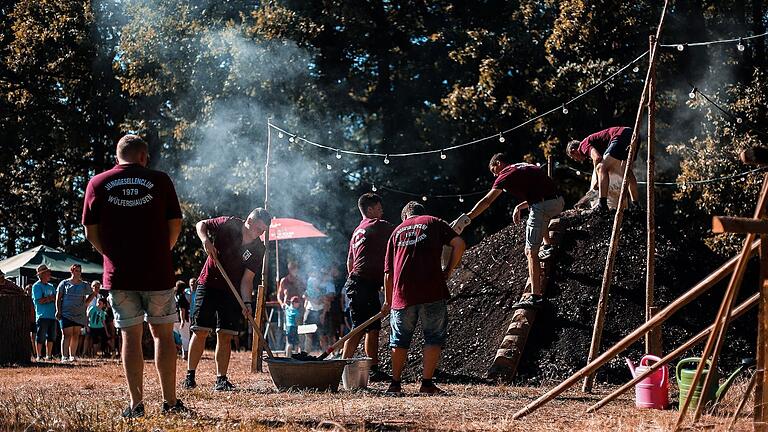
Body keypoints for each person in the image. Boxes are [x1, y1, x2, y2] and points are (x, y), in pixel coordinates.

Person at [82, 134, 185, 417]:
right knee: (164, 336)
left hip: (120, 276)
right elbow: (174, 224)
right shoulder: (160, 180)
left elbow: (90, 232)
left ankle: (136, 405)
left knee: (130, 336)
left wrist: (113, 255)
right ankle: (170, 402)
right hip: (157, 272)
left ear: (118, 156)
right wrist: (163, 251)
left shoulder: (98, 183)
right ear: (143, 156)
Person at [452, 153, 564, 308]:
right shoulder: (523, 165)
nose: (494, 174)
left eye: (493, 170)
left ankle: (535, 296)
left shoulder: (505, 175)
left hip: (542, 205)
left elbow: (487, 201)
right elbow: (540, 189)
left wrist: (468, 218)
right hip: (558, 201)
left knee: (530, 251)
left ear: (498, 163)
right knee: (537, 215)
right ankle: (547, 245)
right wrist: (519, 206)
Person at [184, 208, 271, 392]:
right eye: (258, 229)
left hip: (232, 292)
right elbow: (201, 224)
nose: (260, 234)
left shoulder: (258, 248)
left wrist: (247, 303)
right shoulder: (229, 223)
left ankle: (221, 380)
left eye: (263, 231)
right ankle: (190, 376)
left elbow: (247, 280)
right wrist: (205, 240)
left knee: (225, 335)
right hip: (208, 284)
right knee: (200, 331)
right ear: (249, 220)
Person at [384, 201, 466, 394]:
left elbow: (388, 273)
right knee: (433, 337)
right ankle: (427, 384)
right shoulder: (433, 221)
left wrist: (388, 301)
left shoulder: (396, 232)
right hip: (432, 290)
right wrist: (448, 270)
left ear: (405, 216)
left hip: (402, 294)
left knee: (399, 339)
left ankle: (395, 384)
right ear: (421, 213)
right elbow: (460, 244)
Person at [341, 192, 394, 382]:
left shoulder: (357, 231)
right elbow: (399, 232)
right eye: (379, 209)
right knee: (359, 327)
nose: (382, 212)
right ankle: (342, 367)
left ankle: (373, 368)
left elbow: (350, 261)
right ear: (370, 210)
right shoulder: (377, 225)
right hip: (361, 284)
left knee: (373, 327)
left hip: (362, 284)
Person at [566, 126, 640, 212]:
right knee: (626, 172)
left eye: (574, 157)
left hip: (621, 135)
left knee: (601, 168)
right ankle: (636, 205)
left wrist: (597, 179)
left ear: (573, 150)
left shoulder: (583, 146)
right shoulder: (598, 145)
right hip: (633, 135)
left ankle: (602, 205)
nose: (576, 160)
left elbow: (597, 158)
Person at [56, 264, 97, 362]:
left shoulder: (84, 284)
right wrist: (58, 310)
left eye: (79, 271)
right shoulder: (64, 283)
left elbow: (92, 293)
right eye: (76, 270)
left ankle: (72, 355)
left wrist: (86, 303)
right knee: (66, 334)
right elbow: (58, 297)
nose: (78, 273)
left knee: (75, 334)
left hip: (79, 314)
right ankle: (64, 356)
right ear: (72, 271)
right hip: (66, 313)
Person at [32, 264, 57, 361]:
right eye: (47, 272)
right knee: (40, 336)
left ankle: (49, 355)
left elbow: (55, 299)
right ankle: (39, 356)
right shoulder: (36, 286)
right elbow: (39, 301)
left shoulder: (51, 286)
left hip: (52, 315)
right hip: (42, 315)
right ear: (41, 274)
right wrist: (50, 298)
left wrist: (49, 299)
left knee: (51, 337)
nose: (49, 274)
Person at [173, 280, 191, 360]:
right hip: (183, 319)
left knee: (176, 337)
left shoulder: (174, 296)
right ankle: (185, 354)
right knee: (185, 337)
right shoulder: (181, 297)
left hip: (174, 320)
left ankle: (175, 353)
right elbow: (182, 309)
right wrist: (183, 320)